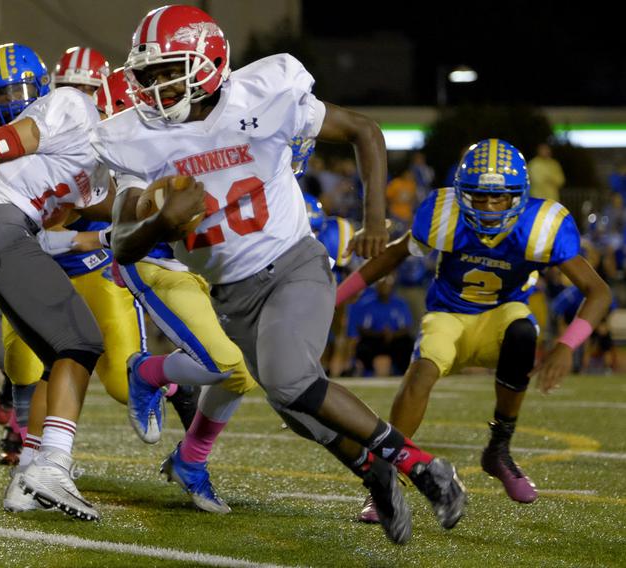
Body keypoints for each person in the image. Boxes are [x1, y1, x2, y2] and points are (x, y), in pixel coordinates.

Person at [92, 4, 467, 544]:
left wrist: (376, 221)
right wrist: (157, 223)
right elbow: (124, 245)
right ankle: (374, 470)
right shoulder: (134, 138)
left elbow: (364, 130)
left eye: (168, 70)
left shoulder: (264, 93)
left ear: (209, 61)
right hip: (231, 294)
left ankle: (423, 467)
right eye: (147, 74)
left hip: (293, 263)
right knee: (296, 409)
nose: (154, 86)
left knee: (291, 379)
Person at [336, 139, 611, 520]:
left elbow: (598, 291)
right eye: (479, 197)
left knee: (522, 332)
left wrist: (567, 345)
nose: (489, 206)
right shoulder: (443, 211)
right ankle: (385, 482)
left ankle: (498, 449)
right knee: (420, 374)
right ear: (462, 193)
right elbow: (395, 254)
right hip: (449, 313)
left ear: (520, 195)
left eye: (500, 198)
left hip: (502, 313)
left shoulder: (541, 224)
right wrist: (337, 297)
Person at [0, 44, 115, 520]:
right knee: (82, 341)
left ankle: (28, 473)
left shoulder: (102, 167)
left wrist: (105, 235)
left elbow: (48, 236)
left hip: (16, 233)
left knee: (56, 356)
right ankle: (53, 467)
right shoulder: (74, 106)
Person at [96, 68, 258, 514]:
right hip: (159, 264)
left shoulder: (207, 123)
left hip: (208, 264)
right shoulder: (135, 142)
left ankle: (190, 462)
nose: (161, 99)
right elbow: (127, 224)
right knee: (221, 362)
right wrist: (159, 217)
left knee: (243, 374)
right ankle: (146, 371)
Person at [345, 276, 414, 377]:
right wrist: (380, 334)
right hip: (375, 339)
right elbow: (362, 328)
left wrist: (392, 335)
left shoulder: (400, 303)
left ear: (392, 287)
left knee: (408, 344)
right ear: (377, 287)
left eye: (387, 286)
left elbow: (406, 327)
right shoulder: (368, 304)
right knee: (363, 347)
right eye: (382, 286)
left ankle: (401, 371)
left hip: (395, 339)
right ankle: (367, 371)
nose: (384, 288)